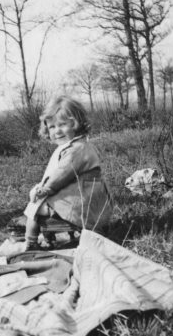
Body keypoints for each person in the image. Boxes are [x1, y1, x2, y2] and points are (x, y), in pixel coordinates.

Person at [24, 95, 113, 250]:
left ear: (76, 124)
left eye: (62, 124)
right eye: (52, 127)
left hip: (82, 202)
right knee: (38, 203)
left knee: (35, 206)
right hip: (88, 198)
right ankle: (39, 238)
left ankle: (30, 242)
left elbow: (61, 174)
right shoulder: (79, 145)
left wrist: (44, 189)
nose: (57, 131)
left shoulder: (76, 150)